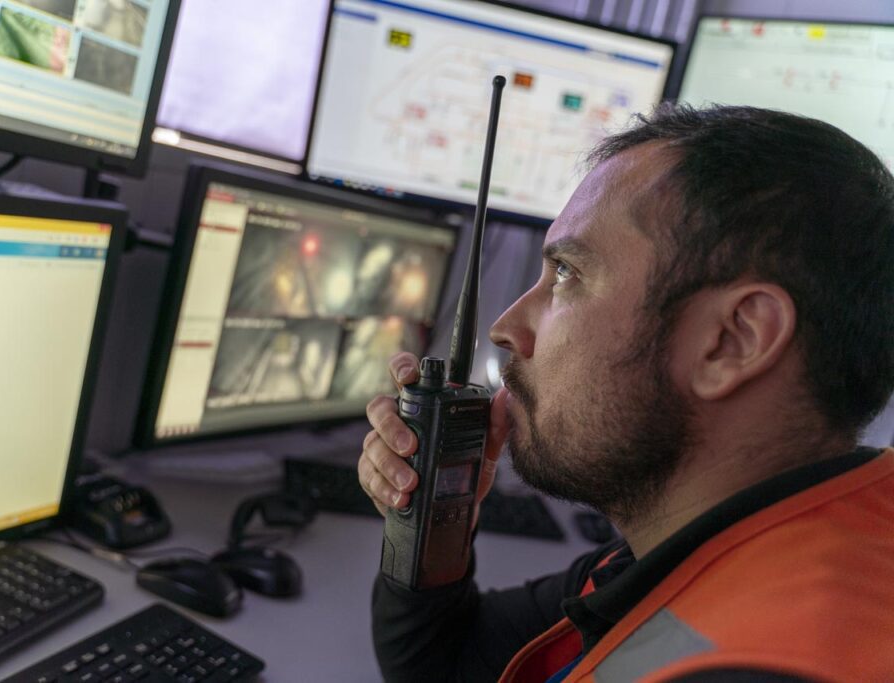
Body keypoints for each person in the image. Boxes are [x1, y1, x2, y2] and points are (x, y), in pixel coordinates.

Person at [357, 104, 894, 683]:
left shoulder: (772, 660)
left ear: (732, 341)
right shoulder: (732, 531)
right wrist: (435, 517)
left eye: (567, 274)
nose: (507, 327)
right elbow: (447, 665)